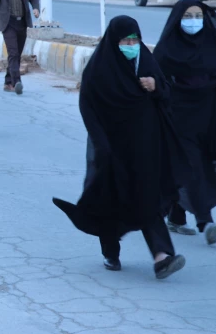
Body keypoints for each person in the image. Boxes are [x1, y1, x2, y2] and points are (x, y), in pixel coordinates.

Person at [52, 16, 189, 280]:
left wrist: (156, 86)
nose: (131, 46)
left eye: (134, 40)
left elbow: (166, 94)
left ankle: (162, 257)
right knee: (109, 198)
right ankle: (110, 252)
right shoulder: (99, 69)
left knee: (147, 194)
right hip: (109, 145)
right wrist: (101, 144)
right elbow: (88, 107)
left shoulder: (146, 62)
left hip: (143, 145)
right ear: (114, 42)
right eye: (125, 41)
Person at [153, 0, 216, 244]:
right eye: (188, 16)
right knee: (192, 167)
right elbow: (164, 83)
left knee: (203, 164)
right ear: (177, 20)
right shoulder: (167, 50)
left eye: (198, 16)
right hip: (177, 119)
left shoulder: (211, 44)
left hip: (208, 118)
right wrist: (211, 80)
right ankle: (205, 221)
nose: (194, 21)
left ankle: (176, 218)